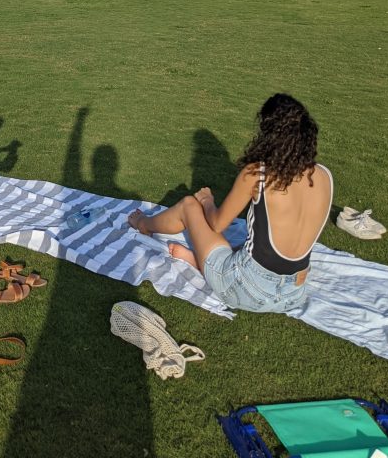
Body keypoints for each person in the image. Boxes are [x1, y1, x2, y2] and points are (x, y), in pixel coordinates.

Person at [128, 93, 333, 314]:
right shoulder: (324, 176)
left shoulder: (258, 174)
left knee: (189, 205)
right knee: (249, 245)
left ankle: (143, 224)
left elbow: (217, 224)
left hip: (248, 290)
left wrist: (207, 202)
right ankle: (196, 259)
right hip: (294, 293)